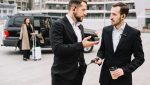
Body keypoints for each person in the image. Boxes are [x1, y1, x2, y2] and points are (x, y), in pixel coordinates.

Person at [95, 2, 145, 85]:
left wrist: (124, 70)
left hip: (123, 80)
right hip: (105, 79)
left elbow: (140, 58)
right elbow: (102, 50)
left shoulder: (134, 33)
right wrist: (99, 58)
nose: (110, 17)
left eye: (114, 14)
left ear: (123, 16)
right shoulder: (106, 30)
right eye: (110, 14)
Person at [50, 0, 99, 85]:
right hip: (62, 76)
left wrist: (83, 66)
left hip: (78, 74)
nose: (85, 13)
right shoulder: (58, 25)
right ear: (74, 9)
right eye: (83, 10)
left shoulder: (80, 27)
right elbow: (57, 49)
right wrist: (82, 45)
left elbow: (79, 50)